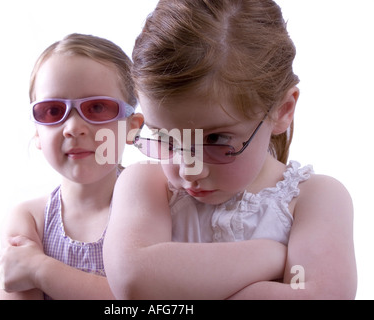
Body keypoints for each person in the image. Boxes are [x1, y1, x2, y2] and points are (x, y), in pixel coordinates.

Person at [103, 0, 357, 299]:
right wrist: (271, 257)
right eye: (167, 139)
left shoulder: (315, 198)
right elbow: (135, 282)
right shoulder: (145, 184)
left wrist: (176, 282)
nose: (187, 169)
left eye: (215, 140)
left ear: (283, 110)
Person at [0, 33, 144, 299]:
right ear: (38, 134)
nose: (73, 128)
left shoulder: (155, 208)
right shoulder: (30, 220)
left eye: (97, 107)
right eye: (52, 111)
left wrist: (41, 269)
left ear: (132, 128)